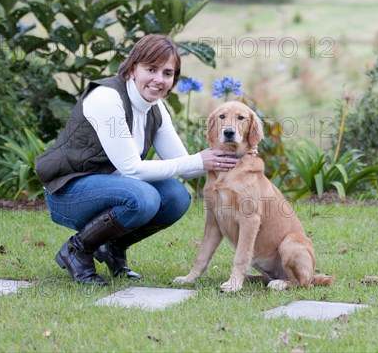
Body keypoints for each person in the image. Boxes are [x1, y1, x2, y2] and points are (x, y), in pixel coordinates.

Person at [35, 34, 240, 286]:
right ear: (133, 69)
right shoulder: (106, 98)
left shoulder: (155, 106)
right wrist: (200, 160)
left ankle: (112, 248)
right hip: (65, 192)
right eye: (151, 69)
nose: (159, 80)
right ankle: (77, 250)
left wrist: (230, 156)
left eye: (167, 73)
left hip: (112, 190)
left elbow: (184, 167)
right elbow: (131, 169)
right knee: (143, 197)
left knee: (176, 196)